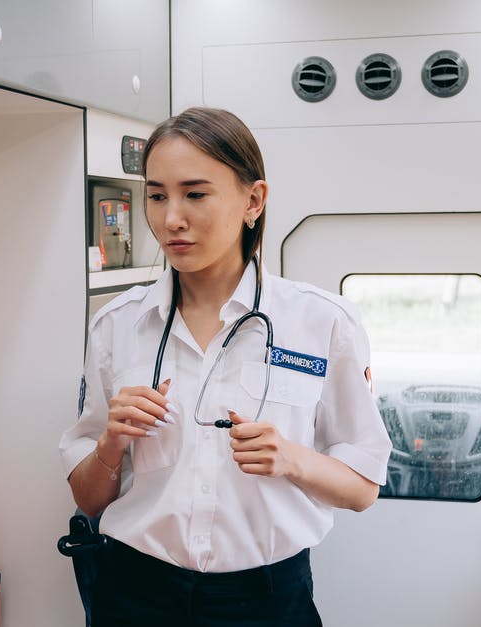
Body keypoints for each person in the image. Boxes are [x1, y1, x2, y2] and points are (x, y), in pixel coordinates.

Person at [59, 107, 392, 627]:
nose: (171, 219)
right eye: (156, 195)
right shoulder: (116, 326)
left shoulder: (324, 323)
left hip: (266, 600)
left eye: (194, 194)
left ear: (253, 200)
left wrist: (291, 458)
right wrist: (111, 443)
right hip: (134, 592)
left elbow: (363, 488)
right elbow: (87, 495)